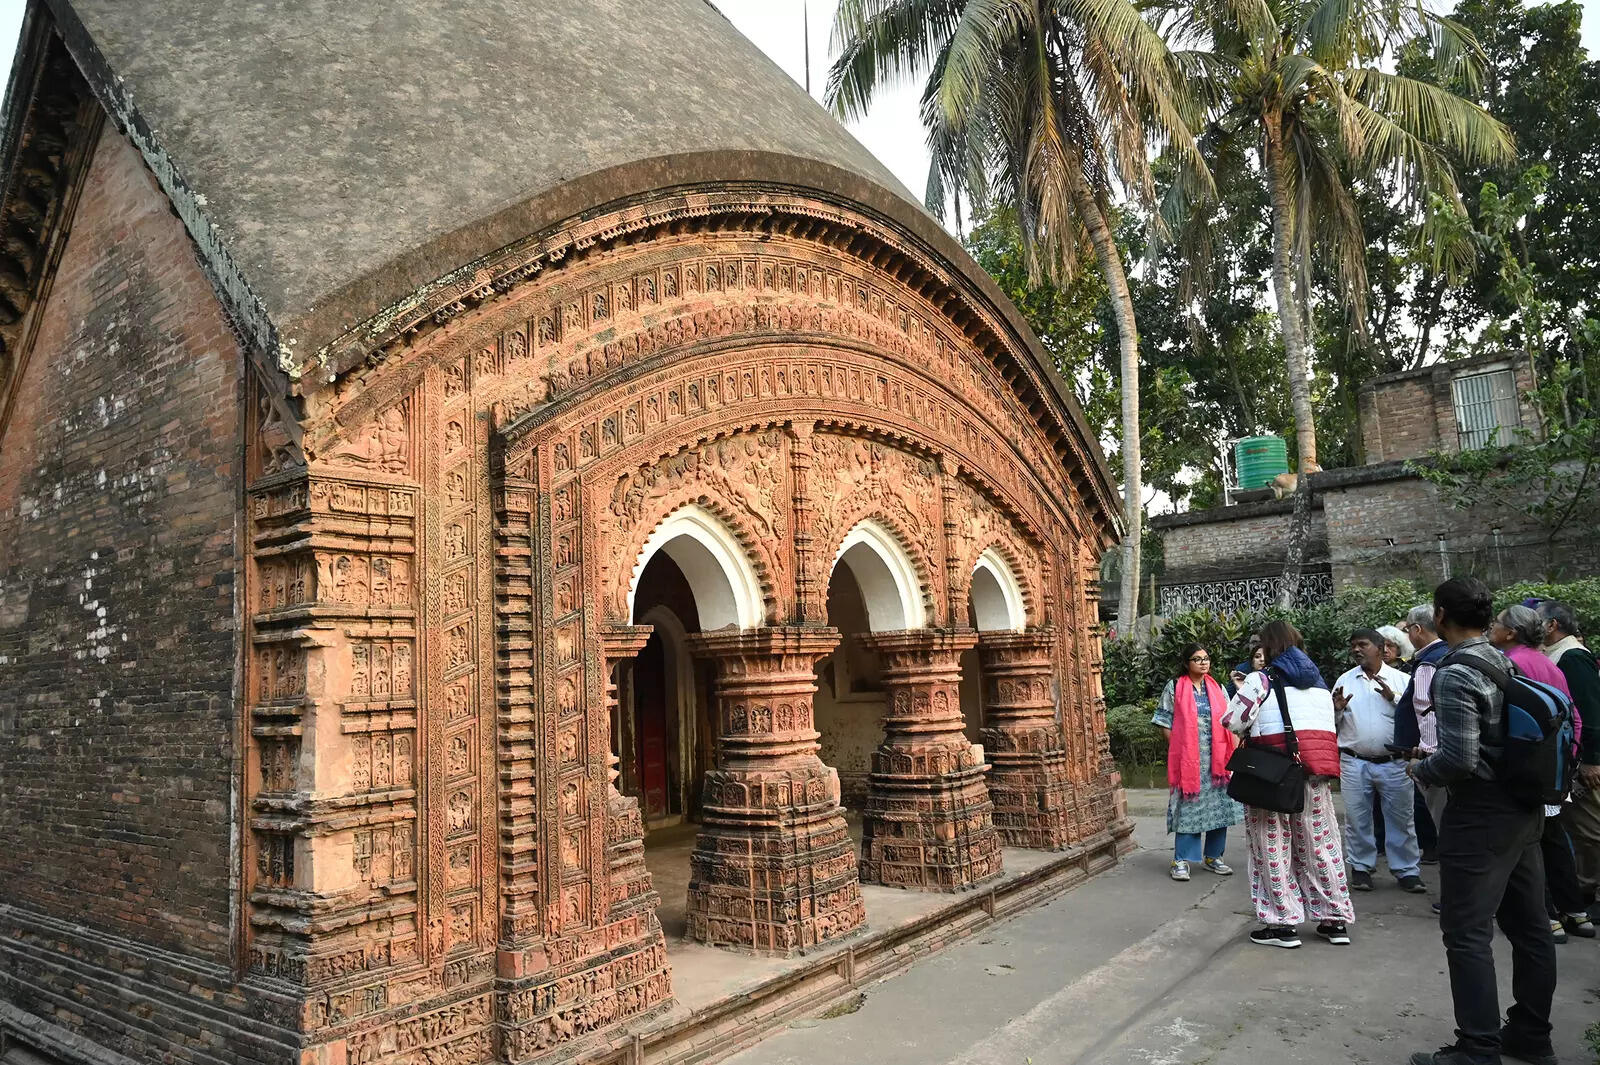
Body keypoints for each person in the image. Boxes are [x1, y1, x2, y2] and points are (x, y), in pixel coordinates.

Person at [1409, 578, 1555, 1065]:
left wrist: (1419, 769)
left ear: (1440, 616)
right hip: (1522, 807)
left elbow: (1459, 758)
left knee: (1467, 932)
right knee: (1530, 927)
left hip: (1481, 814)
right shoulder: (1500, 659)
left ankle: (1478, 1048)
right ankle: (1531, 1036)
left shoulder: (1454, 672)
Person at [1223, 619, 1350, 948]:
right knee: (1320, 845)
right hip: (1314, 774)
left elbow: (1232, 720)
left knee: (1271, 845)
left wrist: (1244, 698)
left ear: (1268, 646)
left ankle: (1282, 924)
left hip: (1272, 774)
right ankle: (1334, 919)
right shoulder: (1319, 682)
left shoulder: (1260, 679)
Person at [1489, 604, 1595, 943]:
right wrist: (1567, 758)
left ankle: (1546, 916)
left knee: (1527, 847)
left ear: (1511, 632)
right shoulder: (1549, 663)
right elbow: (1574, 716)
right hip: (1554, 770)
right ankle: (1575, 913)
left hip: (1526, 771)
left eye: (1497, 623)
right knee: (1554, 840)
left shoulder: (1509, 664)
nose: (1492, 627)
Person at [1334, 628, 1426, 894]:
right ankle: (1361, 868)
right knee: (1357, 818)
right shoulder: (1345, 680)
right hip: (1354, 761)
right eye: (1353, 645)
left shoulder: (1401, 680)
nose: (1356, 649)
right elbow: (1334, 724)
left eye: (1362, 644)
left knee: (1401, 818)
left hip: (1395, 763)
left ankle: (1407, 871)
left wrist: (1393, 698)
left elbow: (1418, 719)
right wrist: (1337, 710)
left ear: (1381, 647)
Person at [1152, 644, 1241, 882]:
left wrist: (1233, 753)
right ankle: (1181, 860)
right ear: (1186, 663)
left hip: (1218, 763)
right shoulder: (1174, 687)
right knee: (1188, 810)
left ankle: (1214, 857)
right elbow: (1164, 722)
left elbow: (1229, 720)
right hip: (1190, 763)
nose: (1203, 663)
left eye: (1206, 658)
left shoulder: (1217, 687)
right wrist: (1180, 750)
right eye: (1197, 659)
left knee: (1219, 809)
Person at [1540, 600, 1600, 921]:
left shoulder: (1572, 657)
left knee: (1591, 830)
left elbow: (1588, 711)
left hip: (1584, 761)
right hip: (1572, 757)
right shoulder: (1556, 654)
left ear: (1552, 625)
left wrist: (1591, 759)